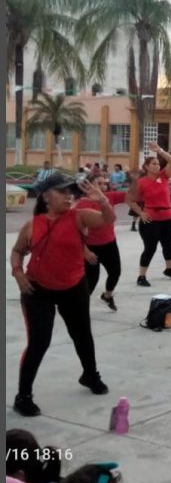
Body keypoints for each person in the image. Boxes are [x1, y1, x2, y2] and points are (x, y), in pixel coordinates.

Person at [10, 174, 114, 417]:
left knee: (82, 336)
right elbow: (17, 251)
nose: (69, 196)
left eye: (71, 192)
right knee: (38, 342)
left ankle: (90, 375)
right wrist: (17, 273)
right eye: (62, 192)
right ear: (46, 196)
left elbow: (106, 220)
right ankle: (23, 396)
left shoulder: (79, 217)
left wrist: (103, 201)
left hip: (73, 287)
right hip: (38, 291)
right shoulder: (33, 225)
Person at [127, 143, 171, 287]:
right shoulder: (141, 183)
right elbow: (131, 201)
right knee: (150, 248)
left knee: (168, 245)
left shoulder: (164, 176)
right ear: (146, 167)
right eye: (153, 164)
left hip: (169, 218)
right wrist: (141, 213)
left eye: (157, 163)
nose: (157, 165)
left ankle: (169, 269)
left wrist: (160, 151)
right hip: (151, 219)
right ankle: (141, 276)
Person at [77, 174, 127, 311]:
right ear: (89, 185)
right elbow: (76, 233)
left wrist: (137, 180)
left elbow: (132, 195)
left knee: (115, 272)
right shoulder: (81, 205)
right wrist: (85, 252)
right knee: (92, 279)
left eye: (104, 183)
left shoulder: (109, 197)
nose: (103, 186)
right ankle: (80, 307)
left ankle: (107, 295)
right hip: (91, 247)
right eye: (99, 183)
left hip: (110, 244)